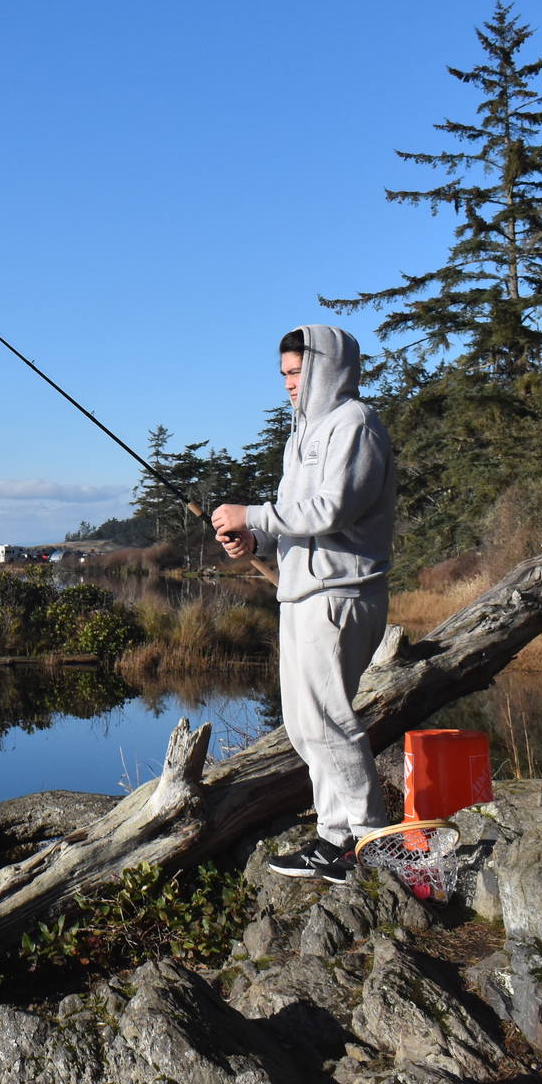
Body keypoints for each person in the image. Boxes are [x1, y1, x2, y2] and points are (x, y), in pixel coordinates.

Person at [210, 324, 395, 884]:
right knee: (303, 726)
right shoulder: (302, 435)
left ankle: (369, 838)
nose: (291, 384)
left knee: (328, 720)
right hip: (300, 593)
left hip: (340, 595)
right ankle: (333, 838)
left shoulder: (355, 424)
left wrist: (255, 515)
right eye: (285, 374)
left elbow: (333, 509)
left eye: (299, 372)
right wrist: (257, 542)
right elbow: (299, 518)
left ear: (327, 368)